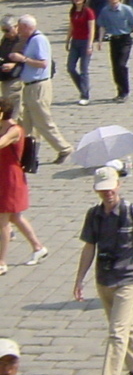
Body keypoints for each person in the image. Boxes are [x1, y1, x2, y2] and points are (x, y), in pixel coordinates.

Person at [73, 167, 133, 375]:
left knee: (116, 333)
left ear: (118, 186)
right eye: (102, 189)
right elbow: (89, 247)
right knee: (125, 326)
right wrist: (80, 279)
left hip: (128, 279)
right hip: (104, 279)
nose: (107, 193)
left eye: (110, 188)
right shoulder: (94, 215)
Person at [8, 17, 71, 163]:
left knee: (43, 121)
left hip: (39, 86)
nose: (18, 30)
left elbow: (43, 63)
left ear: (25, 26)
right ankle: (27, 154)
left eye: (19, 27)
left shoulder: (38, 40)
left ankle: (64, 148)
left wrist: (22, 59)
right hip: (30, 86)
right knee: (27, 123)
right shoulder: (30, 40)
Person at [0, 99, 46, 272]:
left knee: (3, 220)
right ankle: (38, 247)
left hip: (10, 177)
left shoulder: (14, 130)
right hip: (3, 175)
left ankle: (2, 262)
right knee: (15, 217)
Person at [95, 0, 133, 102]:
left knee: (121, 65)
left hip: (125, 39)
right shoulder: (105, 11)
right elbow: (102, 26)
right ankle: (120, 91)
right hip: (113, 40)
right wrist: (100, 41)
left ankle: (125, 91)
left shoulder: (126, 9)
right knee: (115, 67)